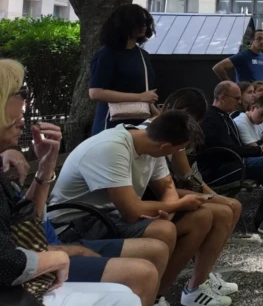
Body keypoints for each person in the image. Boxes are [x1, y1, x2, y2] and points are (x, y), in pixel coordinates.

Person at [0, 59, 151, 306]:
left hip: (36, 254)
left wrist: (47, 163)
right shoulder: (112, 145)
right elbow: (7, 261)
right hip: (43, 253)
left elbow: (27, 224)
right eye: (18, 97)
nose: (23, 115)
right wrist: (59, 258)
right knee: (129, 287)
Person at [46, 110, 233, 306]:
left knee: (200, 217)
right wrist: (176, 205)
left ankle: (160, 295)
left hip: (108, 215)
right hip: (76, 223)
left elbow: (167, 186)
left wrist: (168, 212)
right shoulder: (112, 148)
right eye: (180, 149)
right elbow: (132, 211)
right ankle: (150, 296)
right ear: (166, 147)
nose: (178, 155)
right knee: (163, 230)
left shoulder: (152, 144)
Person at [140, 87, 242, 298]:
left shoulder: (173, 133)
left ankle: (202, 276)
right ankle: (191, 286)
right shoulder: (154, 134)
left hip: (165, 194)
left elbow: (185, 175)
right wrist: (210, 198)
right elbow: (159, 187)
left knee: (231, 206)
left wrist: (213, 195)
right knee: (218, 212)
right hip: (151, 200)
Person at [198, 81, 263, 237]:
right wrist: (260, 149)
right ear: (222, 97)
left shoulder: (223, 116)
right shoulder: (211, 118)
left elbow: (233, 148)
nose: (239, 102)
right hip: (222, 170)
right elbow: (227, 151)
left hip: (235, 162)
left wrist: (261, 150)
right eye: (236, 98)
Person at [88, 4, 159, 136]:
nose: (143, 26)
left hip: (140, 123)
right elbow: (95, 93)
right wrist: (139, 97)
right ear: (125, 24)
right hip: (111, 124)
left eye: (145, 22)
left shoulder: (143, 55)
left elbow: (144, 92)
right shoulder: (107, 53)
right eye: (138, 22)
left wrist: (153, 110)